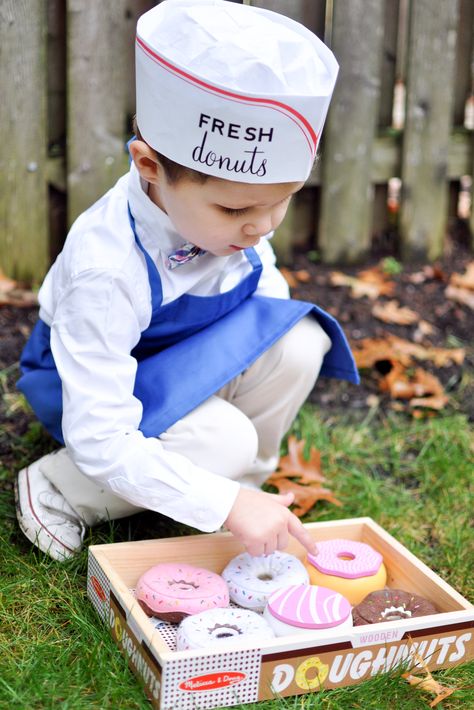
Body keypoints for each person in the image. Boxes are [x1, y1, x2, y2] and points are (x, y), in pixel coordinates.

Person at [15, 0, 359, 561]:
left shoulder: (236, 218)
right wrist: (214, 497)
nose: (262, 226)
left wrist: (232, 489)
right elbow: (101, 431)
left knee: (300, 341)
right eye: (234, 210)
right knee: (222, 439)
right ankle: (62, 487)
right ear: (149, 166)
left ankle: (241, 485)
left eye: (282, 203)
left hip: (184, 363)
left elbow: (262, 302)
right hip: (95, 390)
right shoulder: (107, 267)